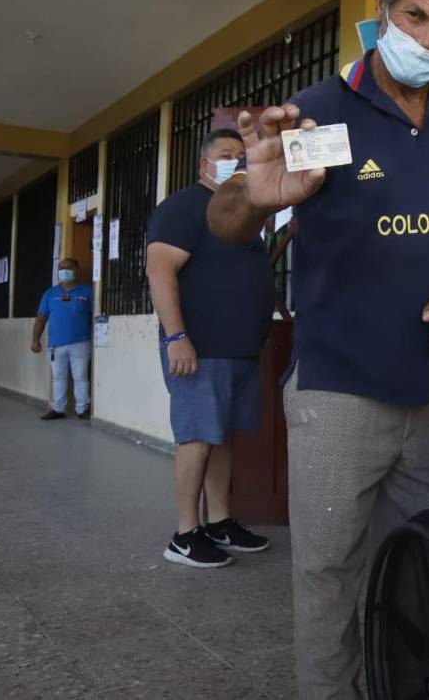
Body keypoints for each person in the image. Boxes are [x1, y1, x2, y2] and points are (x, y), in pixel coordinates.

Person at [207, 0, 429, 699]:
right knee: (329, 575)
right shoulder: (319, 110)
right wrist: (258, 193)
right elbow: (227, 220)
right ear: (384, 7)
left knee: (417, 571)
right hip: (338, 390)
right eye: (418, 17)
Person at [145, 128, 274, 569]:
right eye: (226, 154)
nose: (236, 161)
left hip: (239, 351)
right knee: (197, 438)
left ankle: (219, 521)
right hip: (199, 349)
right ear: (205, 165)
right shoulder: (183, 208)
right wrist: (177, 337)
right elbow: (160, 272)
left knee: (222, 440)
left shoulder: (241, 212)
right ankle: (184, 533)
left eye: (242, 155)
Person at [30, 258, 94, 420]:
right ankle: (58, 409)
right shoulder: (50, 294)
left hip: (81, 342)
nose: (64, 270)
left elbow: (95, 315)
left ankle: (82, 408)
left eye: (69, 267)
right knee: (58, 377)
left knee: (80, 377)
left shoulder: (86, 292)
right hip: (56, 345)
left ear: (76, 270)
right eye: (61, 268)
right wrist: (35, 339)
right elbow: (41, 317)